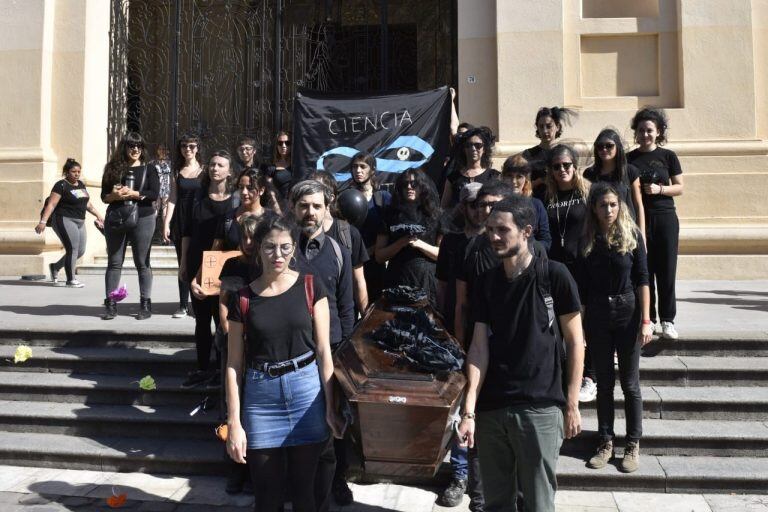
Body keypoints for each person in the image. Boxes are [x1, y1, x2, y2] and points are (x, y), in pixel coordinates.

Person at [457, 195, 584, 512]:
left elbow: (576, 342)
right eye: (490, 230)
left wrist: (571, 404)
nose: (494, 237)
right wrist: (469, 410)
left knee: (539, 503)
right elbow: (478, 347)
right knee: (496, 503)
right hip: (491, 408)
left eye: (502, 230)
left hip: (539, 407)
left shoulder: (554, 276)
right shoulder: (486, 282)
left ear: (527, 232)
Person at [225, 212, 343, 512]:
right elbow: (233, 365)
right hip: (261, 397)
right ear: (258, 247)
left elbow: (323, 351)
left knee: (306, 494)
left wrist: (331, 408)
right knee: (267, 497)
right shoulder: (242, 298)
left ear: (294, 248)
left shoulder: (310, 286)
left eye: (285, 247)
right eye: (269, 247)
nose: (277, 255)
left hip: (306, 391)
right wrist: (234, 422)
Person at [578, 182, 653, 473]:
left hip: (627, 310)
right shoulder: (587, 237)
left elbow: (644, 278)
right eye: (602, 205)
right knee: (604, 383)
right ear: (594, 209)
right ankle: (605, 441)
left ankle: (633, 443)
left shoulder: (632, 234)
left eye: (612, 204)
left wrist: (647, 320)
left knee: (630, 384)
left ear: (619, 205)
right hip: (597, 311)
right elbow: (582, 288)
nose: (608, 210)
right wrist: (581, 324)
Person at [289, 180, 355, 510]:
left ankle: (329, 490)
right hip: (291, 354)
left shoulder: (340, 253)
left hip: (330, 354)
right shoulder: (282, 251)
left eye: (316, 206)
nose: (310, 212)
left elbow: (346, 308)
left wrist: (343, 358)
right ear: (294, 209)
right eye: (304, 206)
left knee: (331, 431)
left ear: (326, 208)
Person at [435, 182, 485, 512]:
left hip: (489, 341)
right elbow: (443, 292)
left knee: (479, 413)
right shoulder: (452, 242)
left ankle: (481, 486)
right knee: (459, 414)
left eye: (483, 205)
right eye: (472, 204)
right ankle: (459, 476)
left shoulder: (497, 242)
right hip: (458, 337)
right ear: (463, 207)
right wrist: (450, 338)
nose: (478, 210)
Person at [543, 144, 596, 402]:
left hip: (583, 267)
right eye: (557, 166)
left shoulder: (587, 192)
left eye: (567, 165)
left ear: (575, 167)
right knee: (563, 325)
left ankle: (589, 377)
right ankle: (568, 374)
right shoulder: (547, 196)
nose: (562, 170)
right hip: (558, 270)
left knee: (585, 323)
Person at [183, 150, 238, 389]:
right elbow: (186, 232)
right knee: (202, 320)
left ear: (229, 171)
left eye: (221, 165)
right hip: (197, 263)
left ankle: (222, 367)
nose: (215, 168)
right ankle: (202, 368)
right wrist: (184, 263)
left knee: (223, 319)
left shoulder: (236, 199)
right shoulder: (196, 196)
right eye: (213, 164)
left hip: (224, 267)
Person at [627, 108, 683, 339]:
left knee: (666, 270)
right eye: (641, 130)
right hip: (639, 219)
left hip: (665, 217)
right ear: (636, 133)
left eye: (650, 130)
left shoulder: (668, 156)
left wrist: (660, 189)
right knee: (644, 270)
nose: (645, 134)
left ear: (658, 132)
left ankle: (668, 320)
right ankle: (647, 319)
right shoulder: (629, 158)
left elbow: (680, 187)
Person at [218, 214, 259, 495]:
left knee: (254, 411)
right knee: (230, 408)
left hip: (258, 347)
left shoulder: (267, 267)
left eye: (252, 237)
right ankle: (235, 471)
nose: (247, 242)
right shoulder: (232, 265)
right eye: (243, 236)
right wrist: (230, 333)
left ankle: (256, 471)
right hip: (234, 343)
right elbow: (223, 304)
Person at [100, 132, 160, 320]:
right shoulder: (112, 168)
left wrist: (133, 193)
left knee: (142, 262)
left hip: (143, 217)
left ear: (142, 149)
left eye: (139, 146)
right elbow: (104, 196)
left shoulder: (150, 169)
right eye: (131, 146)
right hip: (117, 217)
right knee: (114, 262)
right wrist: (115, 196)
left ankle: (145, 303)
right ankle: (111, 304)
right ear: (124, 147)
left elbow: (154, 194)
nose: (135, 149)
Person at [453, 180, 514, 346]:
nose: (487, 210)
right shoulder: (468, 249)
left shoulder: (531, 248)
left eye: (493, 204)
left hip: (516, 339)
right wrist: (459, 348)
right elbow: (462, 305)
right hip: (479, 339)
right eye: (482, 205)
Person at [376, 169, 442, 307]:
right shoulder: (389, 214)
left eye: (414, 183)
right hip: (397, 278)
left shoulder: (435, 214)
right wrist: (401, 242)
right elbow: (379, 256)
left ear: (422, 186)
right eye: (405, 184)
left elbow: (442, 255)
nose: (409, 187)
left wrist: (418, 243)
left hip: (425, 280)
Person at [308, 170, 370, 314]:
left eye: (316, 189)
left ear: (330, 197)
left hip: (340, 319)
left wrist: (364, 318)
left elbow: (358, 281)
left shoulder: (348, 233)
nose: (310, 194)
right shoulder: (298, 233)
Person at [36, 158, 104, 287]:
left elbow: (87, 204)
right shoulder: (61, 185)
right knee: (72, 248)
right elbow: (51, 204)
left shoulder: (81, 185)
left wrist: (99, 215)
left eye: (79, 171)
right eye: (74, 171)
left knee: (80, 250)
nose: (77, 174)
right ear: (67, 172)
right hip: (64, 219)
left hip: (80, 221)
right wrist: (43, 221)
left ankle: (55, 267)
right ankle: (71, 279)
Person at [162, 133, 204, 319]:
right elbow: (172, 198)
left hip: (199, 220)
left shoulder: (205, 170)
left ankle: (198, 303)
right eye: (184, 146)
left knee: (199, 261)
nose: (188, 149)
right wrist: (166, 223)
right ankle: (182, 304)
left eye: (192, 146)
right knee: (183, 262)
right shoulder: (176, 171)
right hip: (181, 219)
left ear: (197, 148)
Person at [584, 128, 645, 235]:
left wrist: (642, 235)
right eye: (600, 146)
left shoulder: (630, 171)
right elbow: (588, 206)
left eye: (609, 145)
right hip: (598, 232)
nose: (604, 149)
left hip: (626, 231)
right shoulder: (589, 174)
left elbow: (638, 204)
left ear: (618, 147)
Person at [348, 152, 392, 303]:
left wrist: (371, 251)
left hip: (376, 264)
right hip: (351, 264)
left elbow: (391, 230)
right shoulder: (346, 197)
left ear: (372, 170)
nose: (358, 171)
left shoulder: (383, 198)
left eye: (362, 166)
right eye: (354, 167)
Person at [501, 154, 551, 250]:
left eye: (519, 176)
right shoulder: (496, 204)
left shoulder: (536, 205)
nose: (513, 181)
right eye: (509, 176)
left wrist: (527, 251)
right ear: (503, 177)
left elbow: (546, 241)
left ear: (526, 180)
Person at [522, 106, 577, 195]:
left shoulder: (565, 152)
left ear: (557, 127)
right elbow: (522, 186)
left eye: (549, 126)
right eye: (541, 126)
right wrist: (540, 181)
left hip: (561, 201)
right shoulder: (529, 154)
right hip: (538, 202)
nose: (545, 131)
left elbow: (575, 180)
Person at [441, 126, 499, 208]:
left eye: (478, 145)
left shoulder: (494, 176)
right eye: (468, 145)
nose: (473, 149)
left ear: (485, 149)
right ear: (464, 149)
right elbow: (443, 208)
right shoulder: (453, 178)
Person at [216, 168, 273, 251]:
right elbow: (214, 253)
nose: (244, 192)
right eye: (241, 187)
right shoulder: (228, 218)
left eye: (250, 188)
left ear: (261, 190)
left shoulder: (272, 219)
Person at [262, 131, 293, 203]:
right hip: (279, 204)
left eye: (287, 143)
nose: (284, 146)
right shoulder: (271, 167)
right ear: (277, 146)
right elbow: (270, 190)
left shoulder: (299, 164)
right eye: (280, 143)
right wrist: (277, 208)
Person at [152, 143, 172, 238]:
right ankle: (150, 234)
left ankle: (165, 236)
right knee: (154, 211)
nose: (162, 151)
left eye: (164, 149)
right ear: (157, 150)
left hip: (167, 189)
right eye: (161, 149)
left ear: (168, 151)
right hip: (156, 188)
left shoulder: (171, 163)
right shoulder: (153, 163)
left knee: (165, 213)